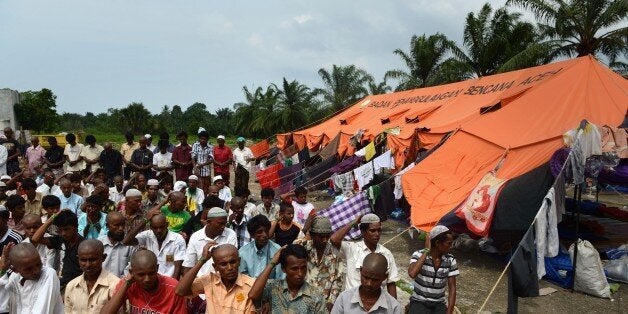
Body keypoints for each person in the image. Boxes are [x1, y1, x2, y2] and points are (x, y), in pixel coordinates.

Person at [331, 213, 399, 298]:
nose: (377, 234)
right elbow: (334, 239)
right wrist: (353, 222)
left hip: (375, 303)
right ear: (363, 232)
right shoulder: (352, 249)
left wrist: (394, 308)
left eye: (379, 230)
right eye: (373, 231)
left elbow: (391, 282)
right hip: (352, 302)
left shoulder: (386, 253)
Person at [176, 243, 256, 313]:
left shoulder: (250, 286)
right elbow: (180, 291)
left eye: (233, 262)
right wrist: (202, 260)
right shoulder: (209, 280)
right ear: (215, 267)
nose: (229, 268)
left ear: (239, 262)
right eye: (223, 264)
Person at [100, 250, 187, 314]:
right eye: (141, 275)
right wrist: (126, 284)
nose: (147, 279)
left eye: (151, 273)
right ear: (132, 272)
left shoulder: (173, 287)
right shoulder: (128, 284)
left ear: (157, 268)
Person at [248, 243, 326, 313]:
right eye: (294, 269)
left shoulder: (316, 296)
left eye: (303, 267)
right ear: (283, 269)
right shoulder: (272, 287)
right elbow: (253, 295)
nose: (300, 273)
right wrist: (273, 262)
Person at [0, 242, 64, 313]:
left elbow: (41, 311)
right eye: (28, 269)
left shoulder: (49, 274)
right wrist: (3, 270)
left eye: (38, 264)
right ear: (15, 270)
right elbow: (2, 306)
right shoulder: (14, 278)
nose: (36, 271)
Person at [407, 225, 459, 314]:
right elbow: (412, 273)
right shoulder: (418, 255)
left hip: (439, 303)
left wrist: (449, 311)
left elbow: (452, 288)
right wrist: (426, 251)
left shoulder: (450, 260)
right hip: (419, 301)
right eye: (449, 243)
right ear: (438, 243)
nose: (451, 247)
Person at [331, 253, 402, 314]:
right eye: (365, 277)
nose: (369, 283)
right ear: (361, 271)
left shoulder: (393, 307)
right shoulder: (344, 298)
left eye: (375, 280)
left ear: (385, 277)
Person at [300, 216, 345, 310]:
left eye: (327, 236)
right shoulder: (303, 248)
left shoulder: (335, 252)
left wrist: (331, 302)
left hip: (324, 305)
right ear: (312, 235)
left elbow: (338, 280)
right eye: (321, 237)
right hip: (302, 301)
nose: (324, 240)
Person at [63, 239, 120, 314]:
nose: (88, 265)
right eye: (83, 260)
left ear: (103, 258)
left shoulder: (116, 285)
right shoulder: (71, 286)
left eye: (93, 260)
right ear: (78, 259)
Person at [31, 210, 85, 288]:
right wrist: (53, 217)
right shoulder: (60, 240)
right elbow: (35, 239)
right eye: (60, 230)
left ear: (76, 226)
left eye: (66, 229)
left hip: (78, 286)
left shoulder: (84, 245)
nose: (63, 233)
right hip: (61, 284)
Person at [124, 214, 186, 279]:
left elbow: (178, 268)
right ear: (150, 227)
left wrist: (173, 285)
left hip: (168, 281)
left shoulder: (177, 239)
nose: (158, 230)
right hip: (151, 281)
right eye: (155, 228)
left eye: (161, 227)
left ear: (167, 225)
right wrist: (144, 220)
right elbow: (126, 241)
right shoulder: (148, 235)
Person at [183, 207, 237, 276]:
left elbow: (232, 261)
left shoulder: (230, 234)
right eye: (220, 224)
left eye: (225, 224)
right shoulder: (196, 237)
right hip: (201, 281)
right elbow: (188, 265)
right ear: (208, 222)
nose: (223, 227)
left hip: (224, 280)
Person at [239, 214, 283, 279]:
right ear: (252, 235)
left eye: (266, 231)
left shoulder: (277, 251)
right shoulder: (243, 253)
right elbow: (242, 277)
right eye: (259, 232)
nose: (264, 235)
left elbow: (280, 278)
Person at [99, 211, 136, 277]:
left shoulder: (130, 246)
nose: (121, 228)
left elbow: (130, 269)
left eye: (123, 225)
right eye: (117, 225)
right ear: (107, 226)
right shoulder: (98, 244)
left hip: (122, 284)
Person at [191, 130, 213, 195]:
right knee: (197, 187)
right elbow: (193, 156)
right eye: (201, 139)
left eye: (204, 139)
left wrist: (202, 165)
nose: (202, 140)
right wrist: (194, 167)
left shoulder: (210, 147)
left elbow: (211, 159)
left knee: (206, 188)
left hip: (206, 171)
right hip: (197, 170)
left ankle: (204, 202)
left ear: (207, 139)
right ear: (199, 139)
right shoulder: (195, 145)